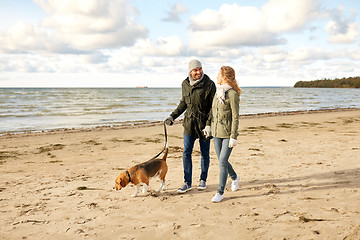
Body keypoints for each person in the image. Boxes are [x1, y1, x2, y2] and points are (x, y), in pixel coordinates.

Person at [165, 59, 216, 193]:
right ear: (190, 71)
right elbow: (183, 103)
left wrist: (209, 124)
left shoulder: (210, 84)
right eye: (195, 70)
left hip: (204, 125)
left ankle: (202, 180)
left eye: (200, 69)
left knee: (204, 154)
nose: (198, 72)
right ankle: (187, 182)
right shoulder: (185, 84)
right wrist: (172, 116)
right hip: (189, 124)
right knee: (186, 152)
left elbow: (213, 107)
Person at [203, 66, 241, 203]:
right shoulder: (218, 92)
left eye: (219, 74)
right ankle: (235, 177)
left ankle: (220, 192)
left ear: (224, 77)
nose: (217, 77)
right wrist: (208, 125)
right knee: (221, 161)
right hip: (216, 132)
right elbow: (212, 111)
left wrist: (234, 136)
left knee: (223, 161)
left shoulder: (232, 94)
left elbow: (236, 117)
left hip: (228, 133)